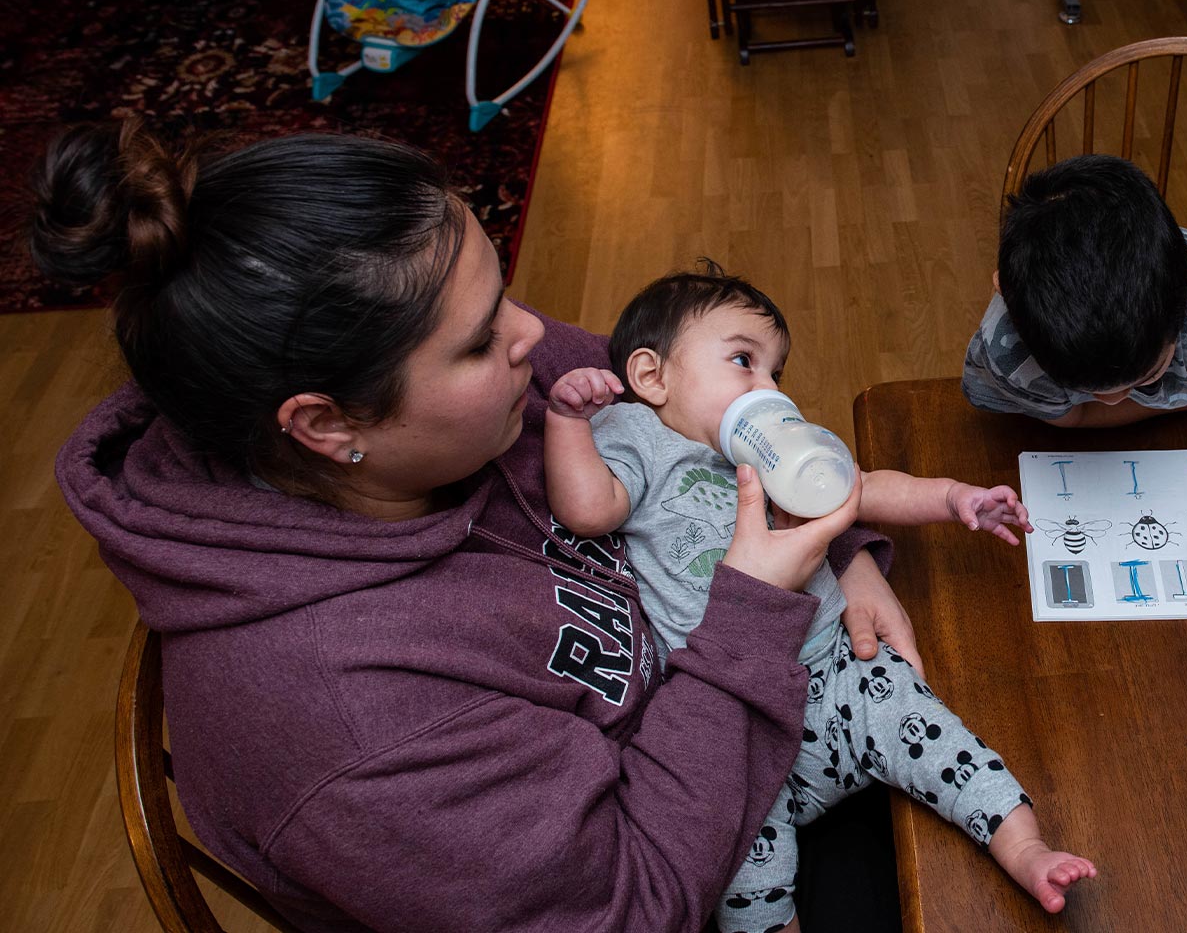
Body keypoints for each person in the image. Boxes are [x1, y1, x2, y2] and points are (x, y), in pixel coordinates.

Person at [35, 120, 915, 932]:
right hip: (692, 867)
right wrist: (754, 610)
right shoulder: (344, 726)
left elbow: (697, 429)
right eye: (476, 341)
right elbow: (634, 906)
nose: (533, 333)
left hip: (745, 712)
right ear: (326, 425)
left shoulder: (488, 399)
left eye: (503, 295)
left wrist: (845, 551)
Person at [542, 266, 1097, 933]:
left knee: (948, 742)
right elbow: (588, 508)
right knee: (737, 853)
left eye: (777, 374)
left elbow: (865, 487)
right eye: (744, 361)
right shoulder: (639, 440)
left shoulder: (778, 451)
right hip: (737, 711)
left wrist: (954, 498)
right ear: (653, 377)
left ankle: (1025, 847)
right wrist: (568, 421)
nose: (769, 390)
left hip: (841, 670)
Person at [963, 153, 1187, 564]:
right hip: (1026, 434)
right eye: (1085, 388)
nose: (1112, 400)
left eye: (1147, 374)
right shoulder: (1007, 352)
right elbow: (1072, 418)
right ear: (1006, 292)